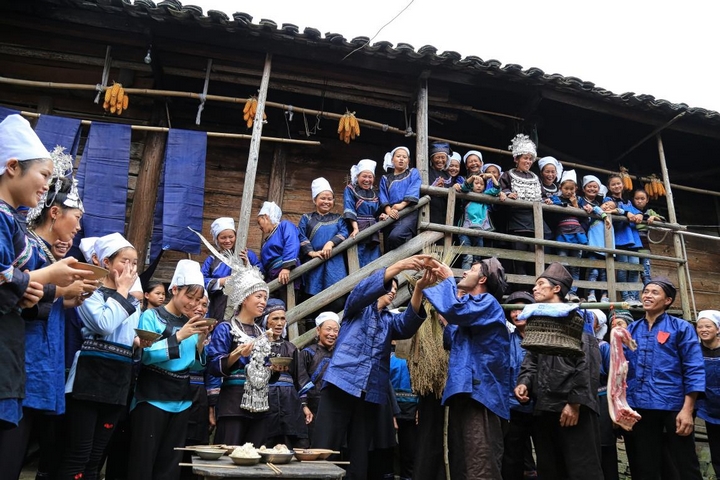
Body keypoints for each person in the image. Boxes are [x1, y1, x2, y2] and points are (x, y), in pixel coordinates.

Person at [0, 114, 90, 458]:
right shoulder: (22, 236)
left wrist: (61, 294)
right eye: (76, 217)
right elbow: (16, 292)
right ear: (54, 212)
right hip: (19, 354)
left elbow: (26, 294)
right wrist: (53, 286)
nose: (78, 227)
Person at [312, 255, 433, 480]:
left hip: (369, 392)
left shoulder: (389, 321)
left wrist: (418, 289)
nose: (392, 291)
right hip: (342, 382)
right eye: (388, 286)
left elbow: (407, 326)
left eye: (396, 289)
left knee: (360, 453)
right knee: (325, 446)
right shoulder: (356, 308)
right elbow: (361, 290)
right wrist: (400, 265)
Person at [59, 233, 142, 480]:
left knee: (97, 456)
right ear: (106, 262)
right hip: (89, 378)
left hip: (118, 379)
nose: (130, 268)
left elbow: (126, 337)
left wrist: (138, 342)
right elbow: (104, 324)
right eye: (124, 261)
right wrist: (124, 290)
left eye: (135, 263)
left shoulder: (133, 303)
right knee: (79, 455)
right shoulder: (90, 292)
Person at [514, 262, 604, 480]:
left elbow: (587, 365)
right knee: (550, 468)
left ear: (556, 289)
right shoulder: (538, 320)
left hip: (572, 409)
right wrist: (524, 382)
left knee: (580, 468)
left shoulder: (575, 318)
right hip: (545, 407)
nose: (535, 289)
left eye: (541, 284)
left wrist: (574, 404)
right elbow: (531, 359)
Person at [423, 257, 510, 479]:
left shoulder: (488, 303)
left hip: (480, 395)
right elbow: (453, 338)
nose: (464, 273)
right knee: (461, 462)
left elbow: (453, 310)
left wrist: (448, 280)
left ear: (482, 278)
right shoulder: (473, 311)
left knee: (480, 463)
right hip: (465, 391)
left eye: (470, 270)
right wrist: (449, 320)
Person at [128, 259, 210, 480]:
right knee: (143, 462)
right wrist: (180, 336)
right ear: (174, 290)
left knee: (170, 465)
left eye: (197, 300)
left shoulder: (191, 322)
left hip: (181, 399)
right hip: (152, 397)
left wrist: (201, 341)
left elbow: (194, 365)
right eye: (189, 298)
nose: (194, 304)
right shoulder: (151, 316)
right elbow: (146, 356)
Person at [623, 277, 704, 480]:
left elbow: (694, 368)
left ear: (667, 300)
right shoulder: (631, 330)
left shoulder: (681, 328)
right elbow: (621, 371)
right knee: (646, 465)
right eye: (645, 291)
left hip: (673, 405)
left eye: (654, 292)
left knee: (685, 463)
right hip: (639, 406)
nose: (647, 296)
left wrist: (687, 409)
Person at [206, 264, 272, 447]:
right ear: (244, 298)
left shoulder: (263, 332)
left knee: (256, 454)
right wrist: (235, 355)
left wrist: (273, 370)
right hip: (233, 402)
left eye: (265, 298)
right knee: (229, 450)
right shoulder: (226, 328)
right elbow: (213, 366)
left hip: (261, 402)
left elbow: (265, 368)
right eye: (258, 296)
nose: (263, 302)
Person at [499, 134, 551, 277]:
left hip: (535, 220)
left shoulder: (535, 178)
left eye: (530, 158)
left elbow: (543, 195)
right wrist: (508, 194)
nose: (528, 161)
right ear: (516, 159)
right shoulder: (508, 175)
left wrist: (546, 200)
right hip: (517, 220)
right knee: (519, 256)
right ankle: (520, 288)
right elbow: (502, 189)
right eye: (525, 158)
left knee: (536, 254)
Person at [262, 298, 309, 448]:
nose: (280, 323)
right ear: (266, 321)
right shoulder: (258, 346)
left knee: (292, 442)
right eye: (275, 318)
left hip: (289, 401)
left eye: (282, 319)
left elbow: (300, 378)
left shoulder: (291, 348)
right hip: (266, 399)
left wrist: (304, 405)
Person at [501, 290, 537, 480]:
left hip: (540, 407)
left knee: (546, 452)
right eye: (513, 310)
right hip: (513, 408)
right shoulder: (507, 341)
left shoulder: (542, 339)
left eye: (521, 309)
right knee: (512, 457)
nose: (516, 314)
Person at [298, 177, 348, 312]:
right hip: (314, 262)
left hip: (335, 264)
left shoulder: (339, 219)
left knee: (337, 299)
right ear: (315, 200)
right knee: (312, 300)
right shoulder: (306, 218)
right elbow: (301, 236)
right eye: (323, 198)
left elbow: (344, 232)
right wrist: (312, 252)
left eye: (329, 199)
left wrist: (330, 243)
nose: (326, 202)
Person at [201, 216, 260, 321]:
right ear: (217, 239)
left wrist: (247, 264)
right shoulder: (212, 260)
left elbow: (260, 275)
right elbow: (201, 281)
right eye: (223, 238)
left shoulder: (247, 255)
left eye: (231, 237)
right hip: (218, 302)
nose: (228, 241)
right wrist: (221, 281)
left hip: (244, 302)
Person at [297, 311, 340, 443]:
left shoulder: (340, 355)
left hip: (335, 406)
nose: (332, 334)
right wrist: (304, 405)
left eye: (336, 330)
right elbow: (300, 379)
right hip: (313, 407)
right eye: (328, 329)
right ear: (318, 330)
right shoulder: (307, 353)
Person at [550, 170, 587, 302]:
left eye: (572, 189)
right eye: (566, 188)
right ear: (561, 188)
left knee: (575, 265)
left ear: (576, 188)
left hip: (577, 234)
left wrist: (576, 205)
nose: (569, 191)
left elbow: (584, 217)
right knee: (563, 264)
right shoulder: (556, 199)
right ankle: (564, 291)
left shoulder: (580, 201)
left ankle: (573, 292)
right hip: (562, 233)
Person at [607, 173, 643, 307]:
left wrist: (639, 214)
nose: (617, 186)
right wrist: (626, 213)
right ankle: (626, 296)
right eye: (613, 184)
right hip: (620, 238)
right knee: (622, 269)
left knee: (634, 268)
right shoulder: (608, 199)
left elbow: (638, 211)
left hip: (633, 239)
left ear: (623, 185)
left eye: (618, 183)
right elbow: (610, 209)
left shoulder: (628, 202)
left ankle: (634, 297)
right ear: (609, 187)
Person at [378, 146, 421, 253]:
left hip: (408, 212)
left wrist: (402, 205)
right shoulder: (385, 178)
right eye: (398, 156)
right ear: (392, 160)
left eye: (404, 157)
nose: (401, 159)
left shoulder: (413, 173)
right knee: (388, 242)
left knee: (396, 236)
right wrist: (389, 211)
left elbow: (414, 188)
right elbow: (382, 195)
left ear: (408, 161)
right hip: (391, 213)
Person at [579, 175, 614, 303]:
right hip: (582, 235)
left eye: (595, 187)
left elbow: (601, 210)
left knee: (600, 270)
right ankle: (582, 294)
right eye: (590, 186)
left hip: (597, 240)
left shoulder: (600, 205)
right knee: (582, 266)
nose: (592, 189)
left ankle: (600, 295)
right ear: (584, 188)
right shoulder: (580, 200)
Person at [695, 309, 720, 477]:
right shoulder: (695, 352)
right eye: (700, 326)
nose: (703, 329)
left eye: (708, 326)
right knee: (717, 452)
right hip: (709, 408)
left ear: (717, 329)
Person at [457, 173, 500, 270]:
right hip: (465, 230)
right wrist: (472, 178)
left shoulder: (485, 195)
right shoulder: (467, 194)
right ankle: (466, 276)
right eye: (476, 183)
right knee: (468, 257)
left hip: (479, 231)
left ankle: (475, 278)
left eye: (482, 184)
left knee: (477, 258)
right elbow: (464, 187)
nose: (479, 186)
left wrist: (492, 177)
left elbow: (497, 189)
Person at [257, 201, 300, 297]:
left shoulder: (284, 226)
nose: (259, 227)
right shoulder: (266, 242)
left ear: (266, 217)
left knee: (285, 305)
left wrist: (286, 267)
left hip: (284, 273)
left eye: (259, 222)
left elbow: (291, 242)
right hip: (272, 276)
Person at [343, 159, 381, 268]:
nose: (367, 180)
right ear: (357, 176)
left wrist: (381, 216)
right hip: (356, 227)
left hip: (372, 231)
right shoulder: (350, 189)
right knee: (358, 258)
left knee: (373, 260)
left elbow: (377, 212)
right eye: (364, 176)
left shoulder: (375, 193)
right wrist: (355, 228)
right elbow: (349, 208)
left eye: (370, 177)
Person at [389, 341, 418, 480]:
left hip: (412, 412)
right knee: (388, 451)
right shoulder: (387, 357)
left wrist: (420, 409)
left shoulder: (419, 357)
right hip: (390, 411)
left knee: (410, 452)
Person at [630, 189, 664, 286]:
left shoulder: (649, 212)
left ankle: (648, 296)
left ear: (647, 200)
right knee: (633, 273)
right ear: (633, 199)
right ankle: (634, 299)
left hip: (644, 246)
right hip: (633, 245)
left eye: (642, 198)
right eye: (637, 198)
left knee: (646, 274)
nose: (639, 201)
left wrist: (654, 217)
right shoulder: (631, 210)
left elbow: (662, 219)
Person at [427, 142, 453, 225]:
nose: (440, 160)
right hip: (429, 210)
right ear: (431, 159)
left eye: (443, 157)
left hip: (444, 212)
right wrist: (434, 187)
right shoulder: (426, 172)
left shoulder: (447, 175)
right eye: (437, 157)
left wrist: (444, 189)